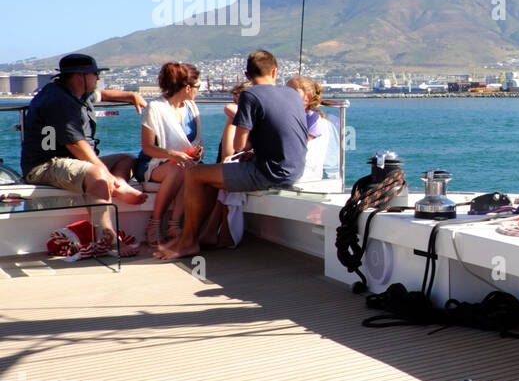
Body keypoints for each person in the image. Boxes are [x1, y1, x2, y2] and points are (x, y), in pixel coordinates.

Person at [154, 50, 307, 261]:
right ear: (275, 71)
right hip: (295, 169)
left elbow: (238, 145)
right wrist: (255, 152)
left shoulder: (250, 95)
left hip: (270, 173)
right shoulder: (291, 94)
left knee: (195, 175)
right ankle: (194, 237)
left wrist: (249, 149)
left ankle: (187, 242)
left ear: (247, 75)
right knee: (208, 179)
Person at [20, 54, 148, 243]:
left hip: (74, 161)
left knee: (126, 159)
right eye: (95, 74)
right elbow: (75, 144)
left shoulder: (78, 93)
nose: (98, 78)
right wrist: (106, 174)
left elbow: (103, 95)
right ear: (80, 76)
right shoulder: (58, 100)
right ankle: (107, 239)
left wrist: (131, 95)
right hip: (45, 165)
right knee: (97, 175)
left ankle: (119, 186)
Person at [135, 62, 204, 246]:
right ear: (187, 88)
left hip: (182, 163)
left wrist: (197, 152)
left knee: (188, 169)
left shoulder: (191, 107)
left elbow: (196, 141)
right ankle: (156, 223)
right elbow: (148, 147)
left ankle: (174, 224)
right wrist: (174, 155)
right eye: (197, 86)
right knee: (177, 169)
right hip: (154, 164)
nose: (198, 90)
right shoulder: (155, 108)